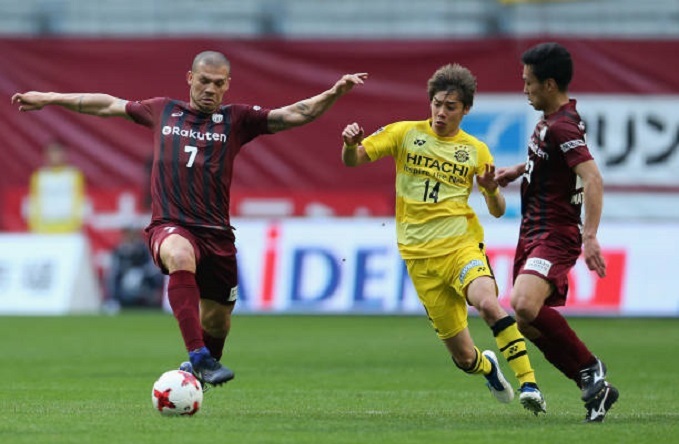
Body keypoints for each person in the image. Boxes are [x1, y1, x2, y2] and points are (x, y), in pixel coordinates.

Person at [12, 50, 367, 389]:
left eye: (218, 83)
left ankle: (203, 366)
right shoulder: (162, 111)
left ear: (228, 84)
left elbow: (296, 114)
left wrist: (334, 92)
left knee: (218, 320)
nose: (210, 89)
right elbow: (105, 104)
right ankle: (197, 356)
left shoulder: (237, 119)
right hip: (170, 224)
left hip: (217, 235)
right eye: (204, 81)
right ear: (189, 78)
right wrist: (49, 97)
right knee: (180, 255)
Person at [341, 63, 546, 415]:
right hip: (420, 259)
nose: (440, 112)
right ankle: (488, 368)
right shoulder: (405, 133)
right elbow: (352, 161)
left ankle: (530, 384)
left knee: (487, 303)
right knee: (465, 358)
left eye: (451, 107)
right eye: (437, 103)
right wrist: (349, 145)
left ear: (465, 110)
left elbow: (496, 210)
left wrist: (492, 190)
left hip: (460, 248)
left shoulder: (476, 151)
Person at [495, 42, 619, 422]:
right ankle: (591, 385)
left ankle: (592, 366)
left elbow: (591, 177)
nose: (524, 88)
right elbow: (553, 162)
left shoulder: (563, 125)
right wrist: (519, 170)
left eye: (529, 82)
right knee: (527, 321)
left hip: (555, 231)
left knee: (523, 304)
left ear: (549, 84)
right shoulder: (554, 119)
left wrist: (590, 235)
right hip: (533, 231)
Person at [27, 140, 86, 233]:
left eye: (58, 152)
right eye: (52, 152)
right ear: (45, 155)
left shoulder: (74, 175)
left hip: (69, 228)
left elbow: (79, 201)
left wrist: (76, 225)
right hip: (43, 228)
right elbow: (34, 202)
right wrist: (34, 226)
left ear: (65, 154)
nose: (55, 156)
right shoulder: (39, 176)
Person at [105, 226, 164, 310]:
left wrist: (140, 273)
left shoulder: (143, 251)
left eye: (132, 235)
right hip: (124, 289)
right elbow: (114, 275)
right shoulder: (118, 252)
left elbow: (152, 271)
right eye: (128, 235)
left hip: (143, 287)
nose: (130, 237)